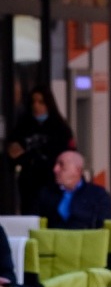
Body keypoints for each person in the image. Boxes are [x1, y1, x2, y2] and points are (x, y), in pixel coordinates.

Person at [7, 86, 75, 214]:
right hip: (29, 183)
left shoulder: (59, 127)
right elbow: (12, 153)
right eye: (33, 102)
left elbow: (69, 154)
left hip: (53, 182)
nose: (36, 106)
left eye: (41, 102)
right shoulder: (23, 126)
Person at [37, 150, 111, 229]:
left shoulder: (98, 195)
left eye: (61, 164)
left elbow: (105, 226)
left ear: (77, 170)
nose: (55, 169)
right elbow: (34, 222)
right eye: (56, 164)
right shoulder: (46, 193)